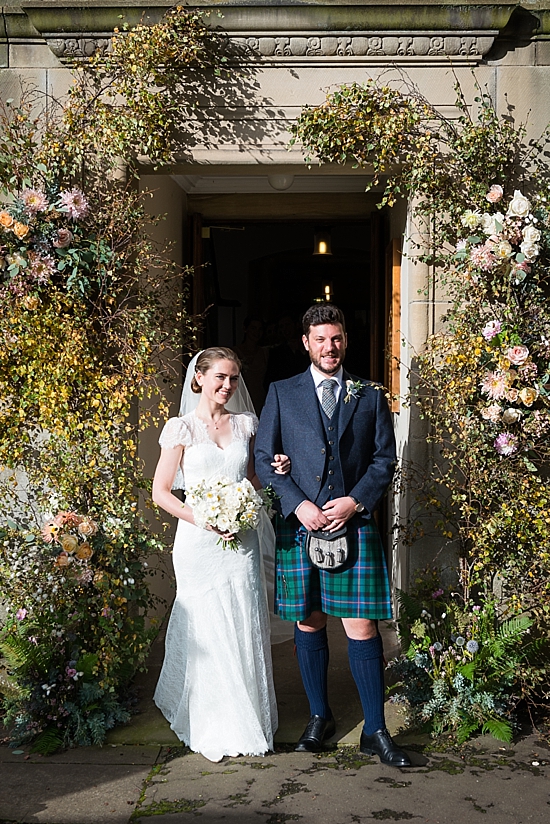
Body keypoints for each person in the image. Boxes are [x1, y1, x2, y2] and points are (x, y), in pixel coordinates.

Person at [255, 304, 411, 768]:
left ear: (346, 340)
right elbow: (264, 459)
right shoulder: (282, 393)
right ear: (305, 342)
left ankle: (375, 730)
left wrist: (355, 501)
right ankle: (319, 718)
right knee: (308, 621)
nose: (330, 347)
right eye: (320, 339)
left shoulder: (368, 395)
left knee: (362, 627)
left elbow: (385, 459)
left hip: (354, 523)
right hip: (301, 525)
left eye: (337, 338)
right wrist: (298, 504)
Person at [152, 346, 289, 762]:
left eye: (233, 378)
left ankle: (246, 714)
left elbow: (251, 479)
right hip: (198, 544)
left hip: (241, 543)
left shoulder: (247, 424)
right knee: (206, 625)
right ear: (199, 379)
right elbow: (161, 493)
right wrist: (203, 519)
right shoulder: (181, 429)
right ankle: (210, 718)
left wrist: (274, 470)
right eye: (220, 378)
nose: (227, 386)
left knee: (242, 620)